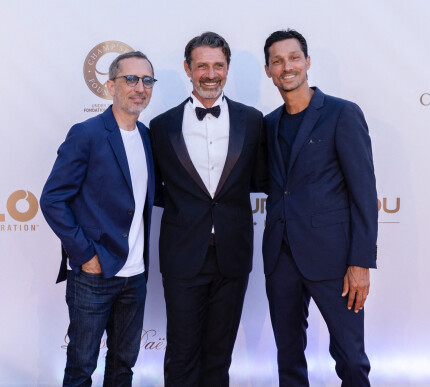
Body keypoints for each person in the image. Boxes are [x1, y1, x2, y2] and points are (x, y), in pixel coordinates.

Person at [149, 31, 268, 386]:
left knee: (220, 354)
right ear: (188, 69)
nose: (210, 74)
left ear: (227, 69)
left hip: (232, 256)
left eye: (218, 65)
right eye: (202, 66)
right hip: (182, 255)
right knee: (182, 353)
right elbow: (155, 190)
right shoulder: (161, 126)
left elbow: (259, 179)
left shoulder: (253, 120)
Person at [262, 29, 378, 386]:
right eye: (277, 61)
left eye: (294, 57)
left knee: (351, 359)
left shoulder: (342, 114)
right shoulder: (267, 124)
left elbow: (364, 193)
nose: (287, 66)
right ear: (268, 70)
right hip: (281, 257)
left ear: (308, 62)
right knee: (289, 359)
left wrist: (360, 262)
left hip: (333, 260)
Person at [40, 51, 156, 386]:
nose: (140, 87)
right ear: (110, 86)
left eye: (147, 80)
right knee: (81, 367)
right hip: (94, 275)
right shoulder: (87, 133)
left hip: (135, 278)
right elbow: (52, 199)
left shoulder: (148, 136)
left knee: (123, 367)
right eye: (130, 79)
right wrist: (85, 255)